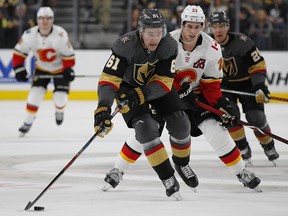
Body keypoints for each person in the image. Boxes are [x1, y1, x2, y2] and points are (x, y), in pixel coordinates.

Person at [101, 5, 262, 193]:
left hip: (195, 97)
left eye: (197, 26)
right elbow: (157, 77)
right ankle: (118, 170)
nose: (192, 31)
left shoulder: (212, 48)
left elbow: (211, 86)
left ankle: (241, 171)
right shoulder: (166, 40)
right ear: (182, 24)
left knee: (215, 130)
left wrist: (222, 104)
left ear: (203, 26)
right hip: (163, 93)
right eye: (189, 26)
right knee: (147, 129)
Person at [93, 8, 195, 200]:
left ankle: (181, 163)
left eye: (159, 33)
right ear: (140, 30)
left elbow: (164, 82)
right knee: (146, 129)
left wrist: (140, 94)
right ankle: (168, 177)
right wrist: (103, 107)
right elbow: (109, 79)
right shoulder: (125, 45)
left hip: (155, 87)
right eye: (150, 33)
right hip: (128, 88)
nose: (155, 38)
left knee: (181, 123)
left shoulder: (169, 45)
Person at [208, 11, 279, 166]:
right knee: (229, 116)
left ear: (227, 27)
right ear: (210, 28)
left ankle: (268, 145)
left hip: (247, 84)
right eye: (214, 26)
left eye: (221, 26)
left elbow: (258, 65)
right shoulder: (206, 44)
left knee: (256, 118)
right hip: (223, 87)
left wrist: (259, 86)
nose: (218, 30)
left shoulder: (242, 42)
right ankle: (242, 148)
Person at [13, 7, 75, 136]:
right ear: (37, 19)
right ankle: (27, 122)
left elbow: (69, 55)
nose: (44, 21)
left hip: (60, 70)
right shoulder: (29, 34)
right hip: (41, 69)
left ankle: (59, 110)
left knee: (60, 99)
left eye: (48, 18)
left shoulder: (60, 34)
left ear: (52, 20)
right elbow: (19, 53)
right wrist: (19, 69)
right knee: (34, 96)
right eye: (41, 18)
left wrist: (68, 69)